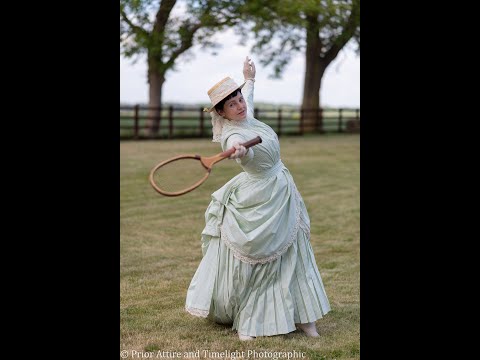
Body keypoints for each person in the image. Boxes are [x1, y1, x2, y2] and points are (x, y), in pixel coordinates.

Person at [185, 57, 331, 341]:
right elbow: (237, 147)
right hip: (258, 195)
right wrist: (241, 151)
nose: (239, 105)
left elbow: (247, 98)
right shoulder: (232, 134)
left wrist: (248, 78)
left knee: (295, 252)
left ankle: (304, 317)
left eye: (239, 98)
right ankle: (250, 319)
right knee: (258, 258)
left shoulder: (245, 113)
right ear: (222, 113)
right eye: (232, 104)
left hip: (282, 190)